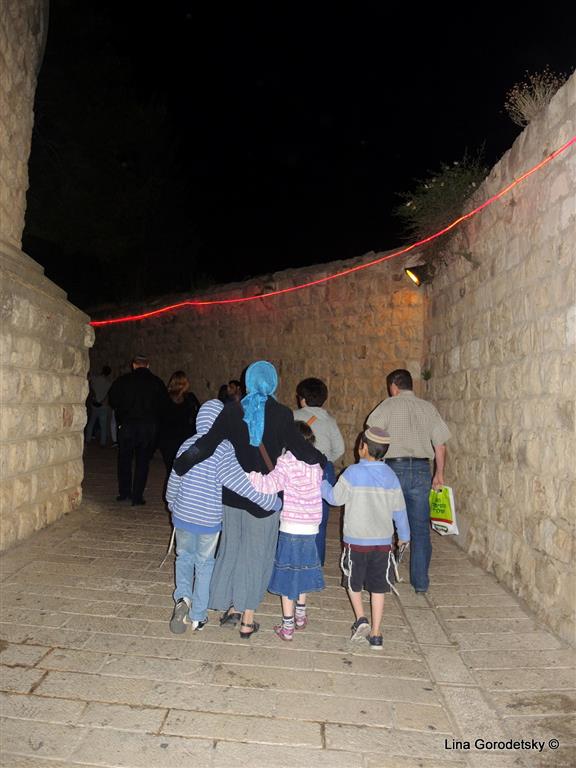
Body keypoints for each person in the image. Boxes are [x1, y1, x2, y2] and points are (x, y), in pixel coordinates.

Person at [173, 360, 326, 638]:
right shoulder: (281, 413)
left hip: (232, 496)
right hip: (263, 497)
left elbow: (208, 444)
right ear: (273, 382)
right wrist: (322, 461)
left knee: (231, 550)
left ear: (247, 383)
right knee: (255, 556)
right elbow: (300, 448)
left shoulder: (232, 411)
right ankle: (247, 620)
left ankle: (231, 607)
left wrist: (183, 463)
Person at [165, 399, 281, 634]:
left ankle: (183, 598)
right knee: (205, 563)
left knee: (184, 557)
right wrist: (270, 501)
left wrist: (172, 503)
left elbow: (175, 477)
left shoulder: (188, 443)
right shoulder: (223, 448)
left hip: (183, 516)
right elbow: (239, 483)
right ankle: (198, 615)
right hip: (208, 521)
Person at [322, 427, 410, 650]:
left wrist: (321, 484)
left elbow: (334, 499)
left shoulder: (352, 473)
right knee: (379, 587)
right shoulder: (391, 476)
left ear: (363, 448)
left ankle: (361, 619)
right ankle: (377, 634)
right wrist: (404, 536)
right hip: (382, 543)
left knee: (352, 580)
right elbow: (399, 510)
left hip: (356, 542)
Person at [366, 369, 451, 594]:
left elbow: (372, 435)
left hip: (392, 470)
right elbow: (440, 444)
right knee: (420, 528)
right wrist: (439, 474)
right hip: (422, 470)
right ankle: (420, 583)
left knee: (384, 524)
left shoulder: (387, 406)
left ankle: (384, 578)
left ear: (394, 386)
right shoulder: (428, 408)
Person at [247, 421, 324, 641]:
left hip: (291, 526)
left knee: (288, 574)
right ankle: (300, 616)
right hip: (311, 527)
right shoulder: (317, 464)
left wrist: (249, 475)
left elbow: (269, 485)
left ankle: (287, 626)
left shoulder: (287, 461)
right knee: (302, 570)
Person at [293, 377, 345, 565]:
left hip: (296, 470)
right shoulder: (330, 421)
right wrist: (326, 460)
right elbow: (340, 449)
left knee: (294, 517)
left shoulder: (293, 416)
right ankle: (316, 564)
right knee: (320, 521)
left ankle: (294, 561)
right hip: (323, 469)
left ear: (302, 399)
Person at [108, 354, 169, 506]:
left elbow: (113, 400)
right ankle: (137, 496)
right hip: (148, 428)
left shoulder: (123, 381)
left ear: (134, 365)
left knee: (124, 459)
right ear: (148, 365)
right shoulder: (157, 382)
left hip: (127, 425)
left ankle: (124, 492)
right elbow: (164, 405)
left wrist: (122, 414)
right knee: (143, 461)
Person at [157, 371, 200, 472]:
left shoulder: (165, 397)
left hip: (170, 439)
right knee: (179, 469)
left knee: (172, 469)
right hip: (181, 438)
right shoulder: (188, 398)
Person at [85, 365, 113, 446]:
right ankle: (102, 443)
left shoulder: (95, 378)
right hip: (103, 405)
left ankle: (87, 439)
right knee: (103, 425)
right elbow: (108, 394)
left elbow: (88, 379)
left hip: (94, 404)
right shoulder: (109, 383)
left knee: (91, 423)